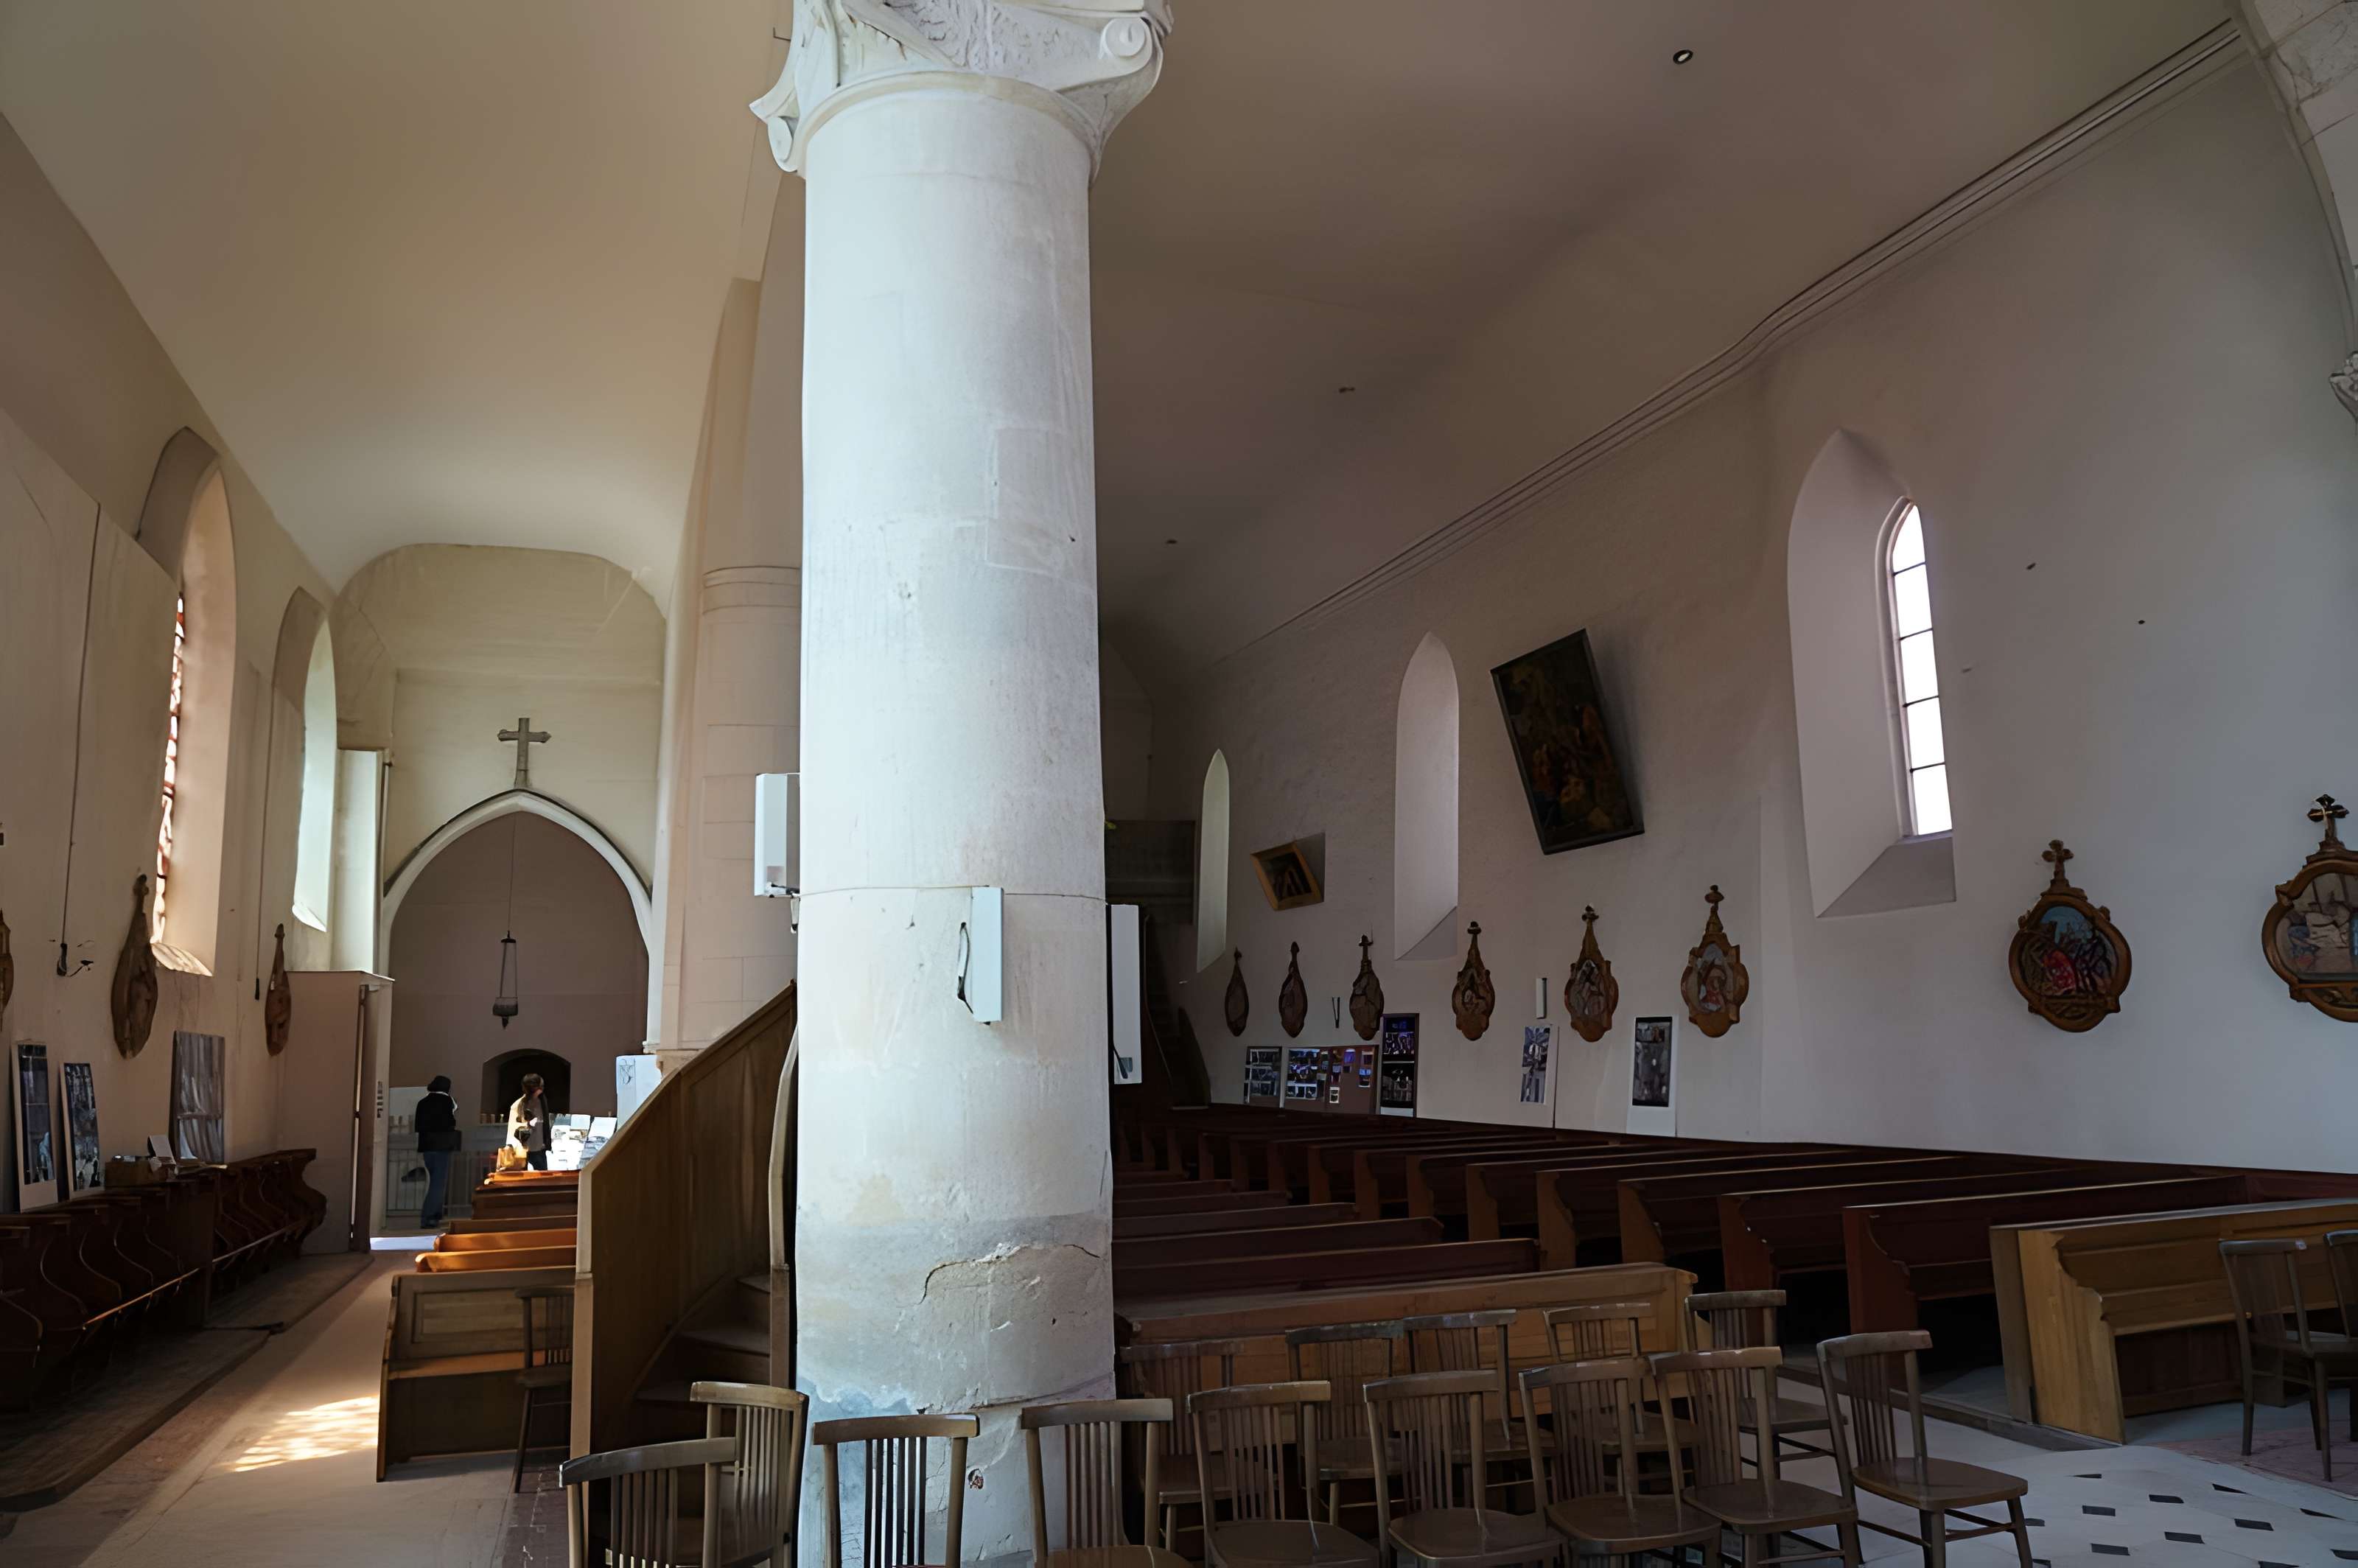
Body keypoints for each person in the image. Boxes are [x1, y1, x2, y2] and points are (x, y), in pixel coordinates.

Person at [414, 1075, 461, 1228]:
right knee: (438, 1184)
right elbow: (451, 1121)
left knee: (433, 1181)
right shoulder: (447, 1101)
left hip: (427, 1147)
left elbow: (418, 1126)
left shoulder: (422, 1102)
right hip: (442, 1146)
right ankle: (429, 1217)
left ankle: (434, 1214)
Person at [507, 1072, 552, 1172]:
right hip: (524, 1149)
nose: (542, 1088)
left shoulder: (541, 1101)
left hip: (539, 1147)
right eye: (541, 1086)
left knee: (542, 1177)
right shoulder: (519, 1105)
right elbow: (514, 1129)